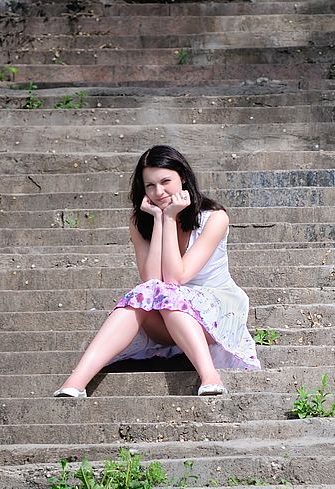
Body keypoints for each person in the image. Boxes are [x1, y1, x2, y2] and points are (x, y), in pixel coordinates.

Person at [53, 145, 260, 398]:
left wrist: (171, 217)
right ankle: (76, 382)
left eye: (165, 181)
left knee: (167, 293)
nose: (158, 192)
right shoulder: (141, 220)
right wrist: (161, 220)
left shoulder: (214, 218)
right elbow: (151, 280)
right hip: (167, 315)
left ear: (182, 177)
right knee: (144, 297)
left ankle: (209, 376)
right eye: (150, 185)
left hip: (215, 312)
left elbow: (176, 278)